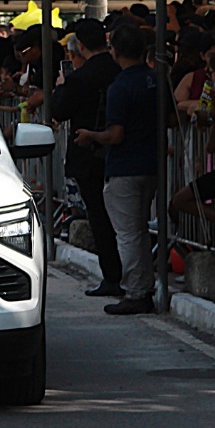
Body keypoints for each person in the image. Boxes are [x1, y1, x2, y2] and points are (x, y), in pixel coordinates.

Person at [74, 25, 159, 315]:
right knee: (139, 232)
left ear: (115, 51)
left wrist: (91, 136)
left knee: (129, 234)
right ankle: (143, 286)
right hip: (151, 163)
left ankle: (136, 292)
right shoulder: (154, 80)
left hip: (125, 167)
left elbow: (116, 134)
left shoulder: (120, 87)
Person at [48, 20, 122, 298]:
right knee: (123, 219)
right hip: (118, 153)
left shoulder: (81, 77)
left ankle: (113, 276)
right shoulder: (117, 70)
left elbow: (60, 109)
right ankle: (124, 274)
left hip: (90, 155)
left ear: (80, 45)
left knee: (100, 217)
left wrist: (60, 87)